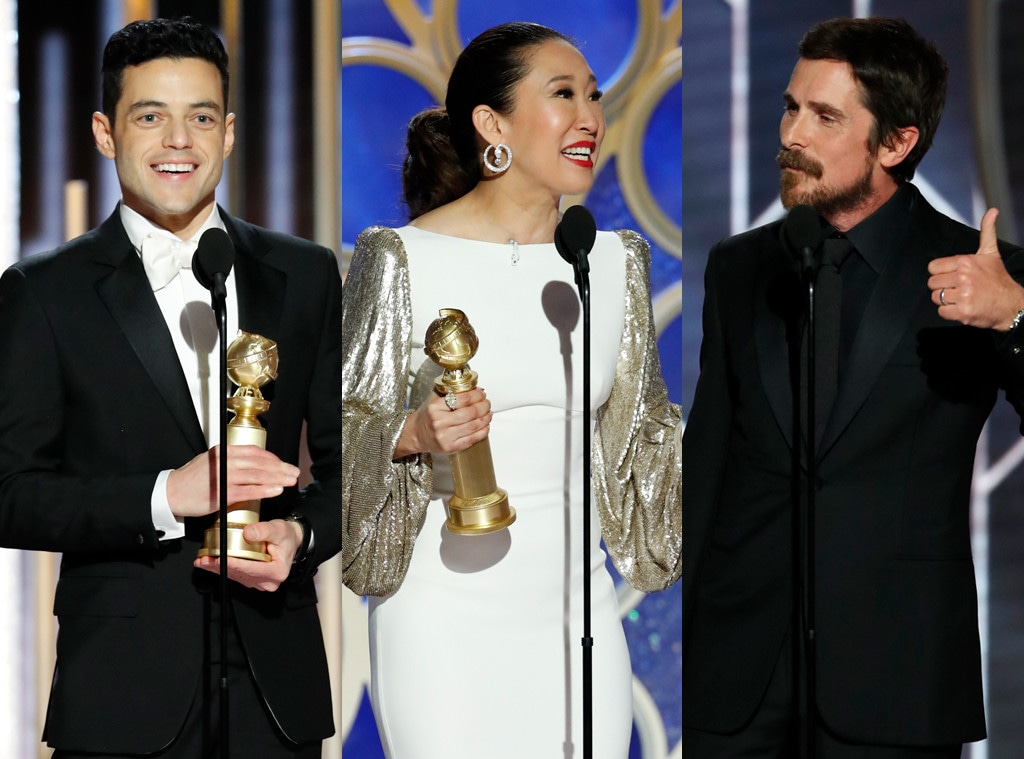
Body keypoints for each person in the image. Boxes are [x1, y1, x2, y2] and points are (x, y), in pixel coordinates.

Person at [681, 16, 1024, 758]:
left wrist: (1014, 317)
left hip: (895, 676)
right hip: (739, 682)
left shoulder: (981, 270)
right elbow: (709, 457)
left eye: (825, 116)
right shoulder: (739, 267)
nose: (793, 133)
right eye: (791, 106)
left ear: (896, 143)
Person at [0, 17, 342, 758]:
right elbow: (11, 493)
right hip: (121, 692)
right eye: (150, 116)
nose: (178, 141)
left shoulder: (305, 273)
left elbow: (354, 468)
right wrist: (165, 494)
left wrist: (303, 533)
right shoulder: (43, 291)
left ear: (228, 134)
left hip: (275, 690)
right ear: (104, 131)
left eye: (201, 117)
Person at [341, 21, 682, 758]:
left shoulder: (613, 263)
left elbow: (642, 445)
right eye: (563, 94)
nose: (590, 116)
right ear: (492, 124)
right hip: (442, 622)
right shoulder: (400, 257)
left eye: (593, 95)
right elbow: (345, 428)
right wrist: (415, 434)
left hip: (576, 617)